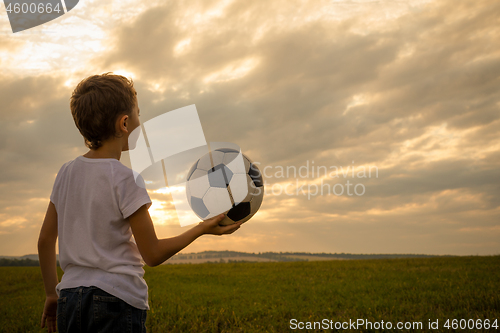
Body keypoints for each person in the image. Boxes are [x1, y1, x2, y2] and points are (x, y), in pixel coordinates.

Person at [37, 73, 242, 333]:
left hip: (69, 299)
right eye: (138, 115)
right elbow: (153, 254)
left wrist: (52, 295)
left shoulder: (65, 172)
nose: (140, 122)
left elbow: (45, 241)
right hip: (116, 299)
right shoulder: (125, 179)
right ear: (124, 123)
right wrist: (201, 229)